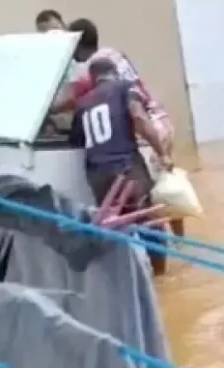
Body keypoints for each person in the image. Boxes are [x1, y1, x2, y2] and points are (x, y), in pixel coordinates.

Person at [64, 18, 185, 240]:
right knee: (168, 190)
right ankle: (181, 243)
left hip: (143, 133)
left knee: (149, 206)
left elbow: (71, 101)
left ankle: (164, 256)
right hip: (159, 120)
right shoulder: (113, 54)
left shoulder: (90, 70)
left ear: (78, 45)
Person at [70, 58, 172, 276]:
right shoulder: (125, 87)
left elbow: (77, 142)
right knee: (150, 224)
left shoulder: (82, 103)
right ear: (115, 73)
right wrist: (162, 154)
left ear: (93, 78)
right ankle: (162, 281)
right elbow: (138, 117)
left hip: (97, 176)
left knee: (115, 233)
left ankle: (126, 283)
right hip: (126, 168)